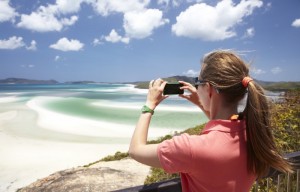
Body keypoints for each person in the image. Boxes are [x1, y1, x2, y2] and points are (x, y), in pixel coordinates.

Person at [129, 50, 292, 191]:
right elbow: (224, 131)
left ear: (209, 89)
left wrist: (149, 105)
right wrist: (203, 101)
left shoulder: (190, 148)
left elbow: (136, 150)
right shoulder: (253, 134)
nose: (196, 86)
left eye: (198, 82)